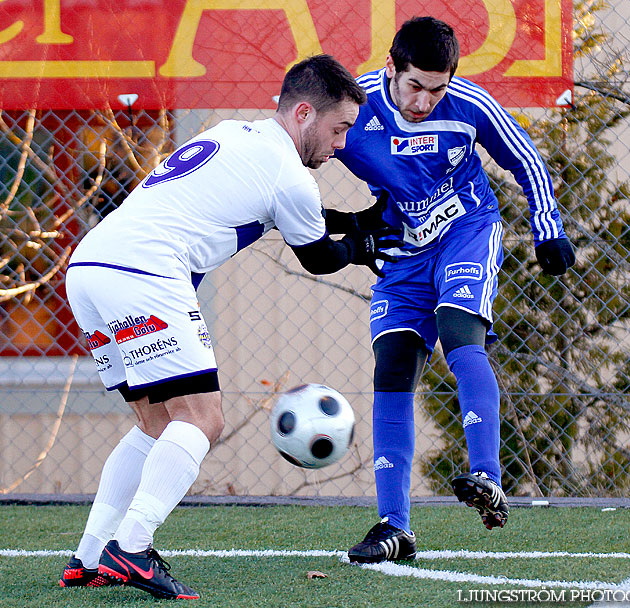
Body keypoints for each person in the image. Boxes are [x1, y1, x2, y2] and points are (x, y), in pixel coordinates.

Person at [58, 54, 400, 599]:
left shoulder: (236, 135)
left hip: (92, 265)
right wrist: (359, 244)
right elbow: (316, 255)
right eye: (339, 130)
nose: (340, 147)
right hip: (146, 270)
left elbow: (286, 214)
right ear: (305, 114)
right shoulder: (290, 175)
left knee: (154, 425)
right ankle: (133, 546)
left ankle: (91, 553)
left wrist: (354, 225)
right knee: (203, 418)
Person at [329, 17, 576, 563]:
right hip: (402, 250)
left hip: (467, 231)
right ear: (390, 67)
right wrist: (331, 224)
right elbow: (298, 150)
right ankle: (395, 528)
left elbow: (525, 158)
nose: (423, 100)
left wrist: (548, 229)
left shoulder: (468, 105)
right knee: (392, 366)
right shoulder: (355, 104)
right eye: (414, 85)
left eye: (436, 89)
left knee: (458, 331)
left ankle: (487, 475)